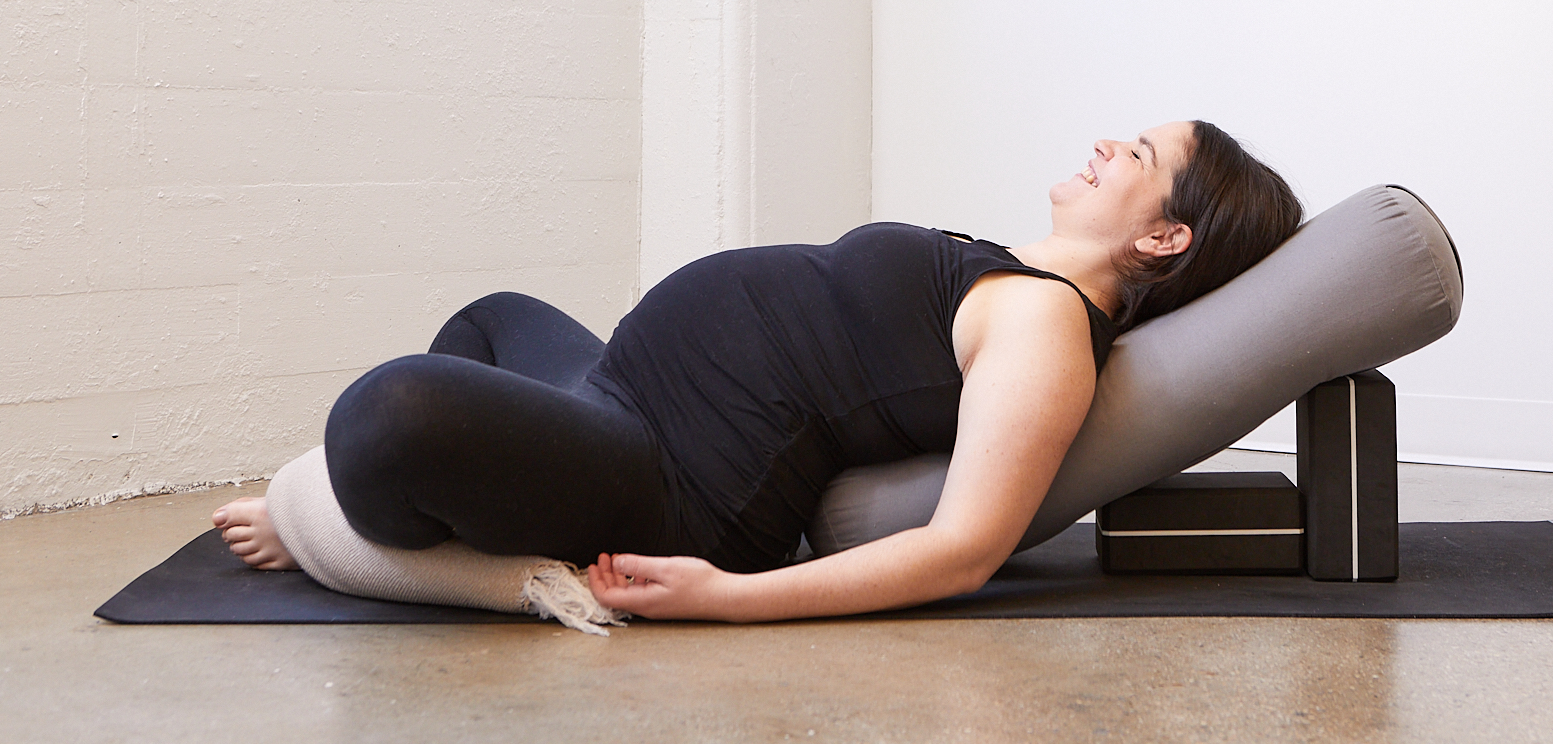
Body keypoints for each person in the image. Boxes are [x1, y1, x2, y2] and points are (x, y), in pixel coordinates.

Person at [214, 120, 1301, 622]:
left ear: (1163, 240)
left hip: (673, 483)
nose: (1109, 144)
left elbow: (966, 549)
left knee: (392, 412)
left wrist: (730, 598)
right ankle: (455, 527)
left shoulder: (1048, 333)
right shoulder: (1012, 273)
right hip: (619, 393)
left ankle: (368, 542)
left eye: (1141, 159)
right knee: (493, 318)